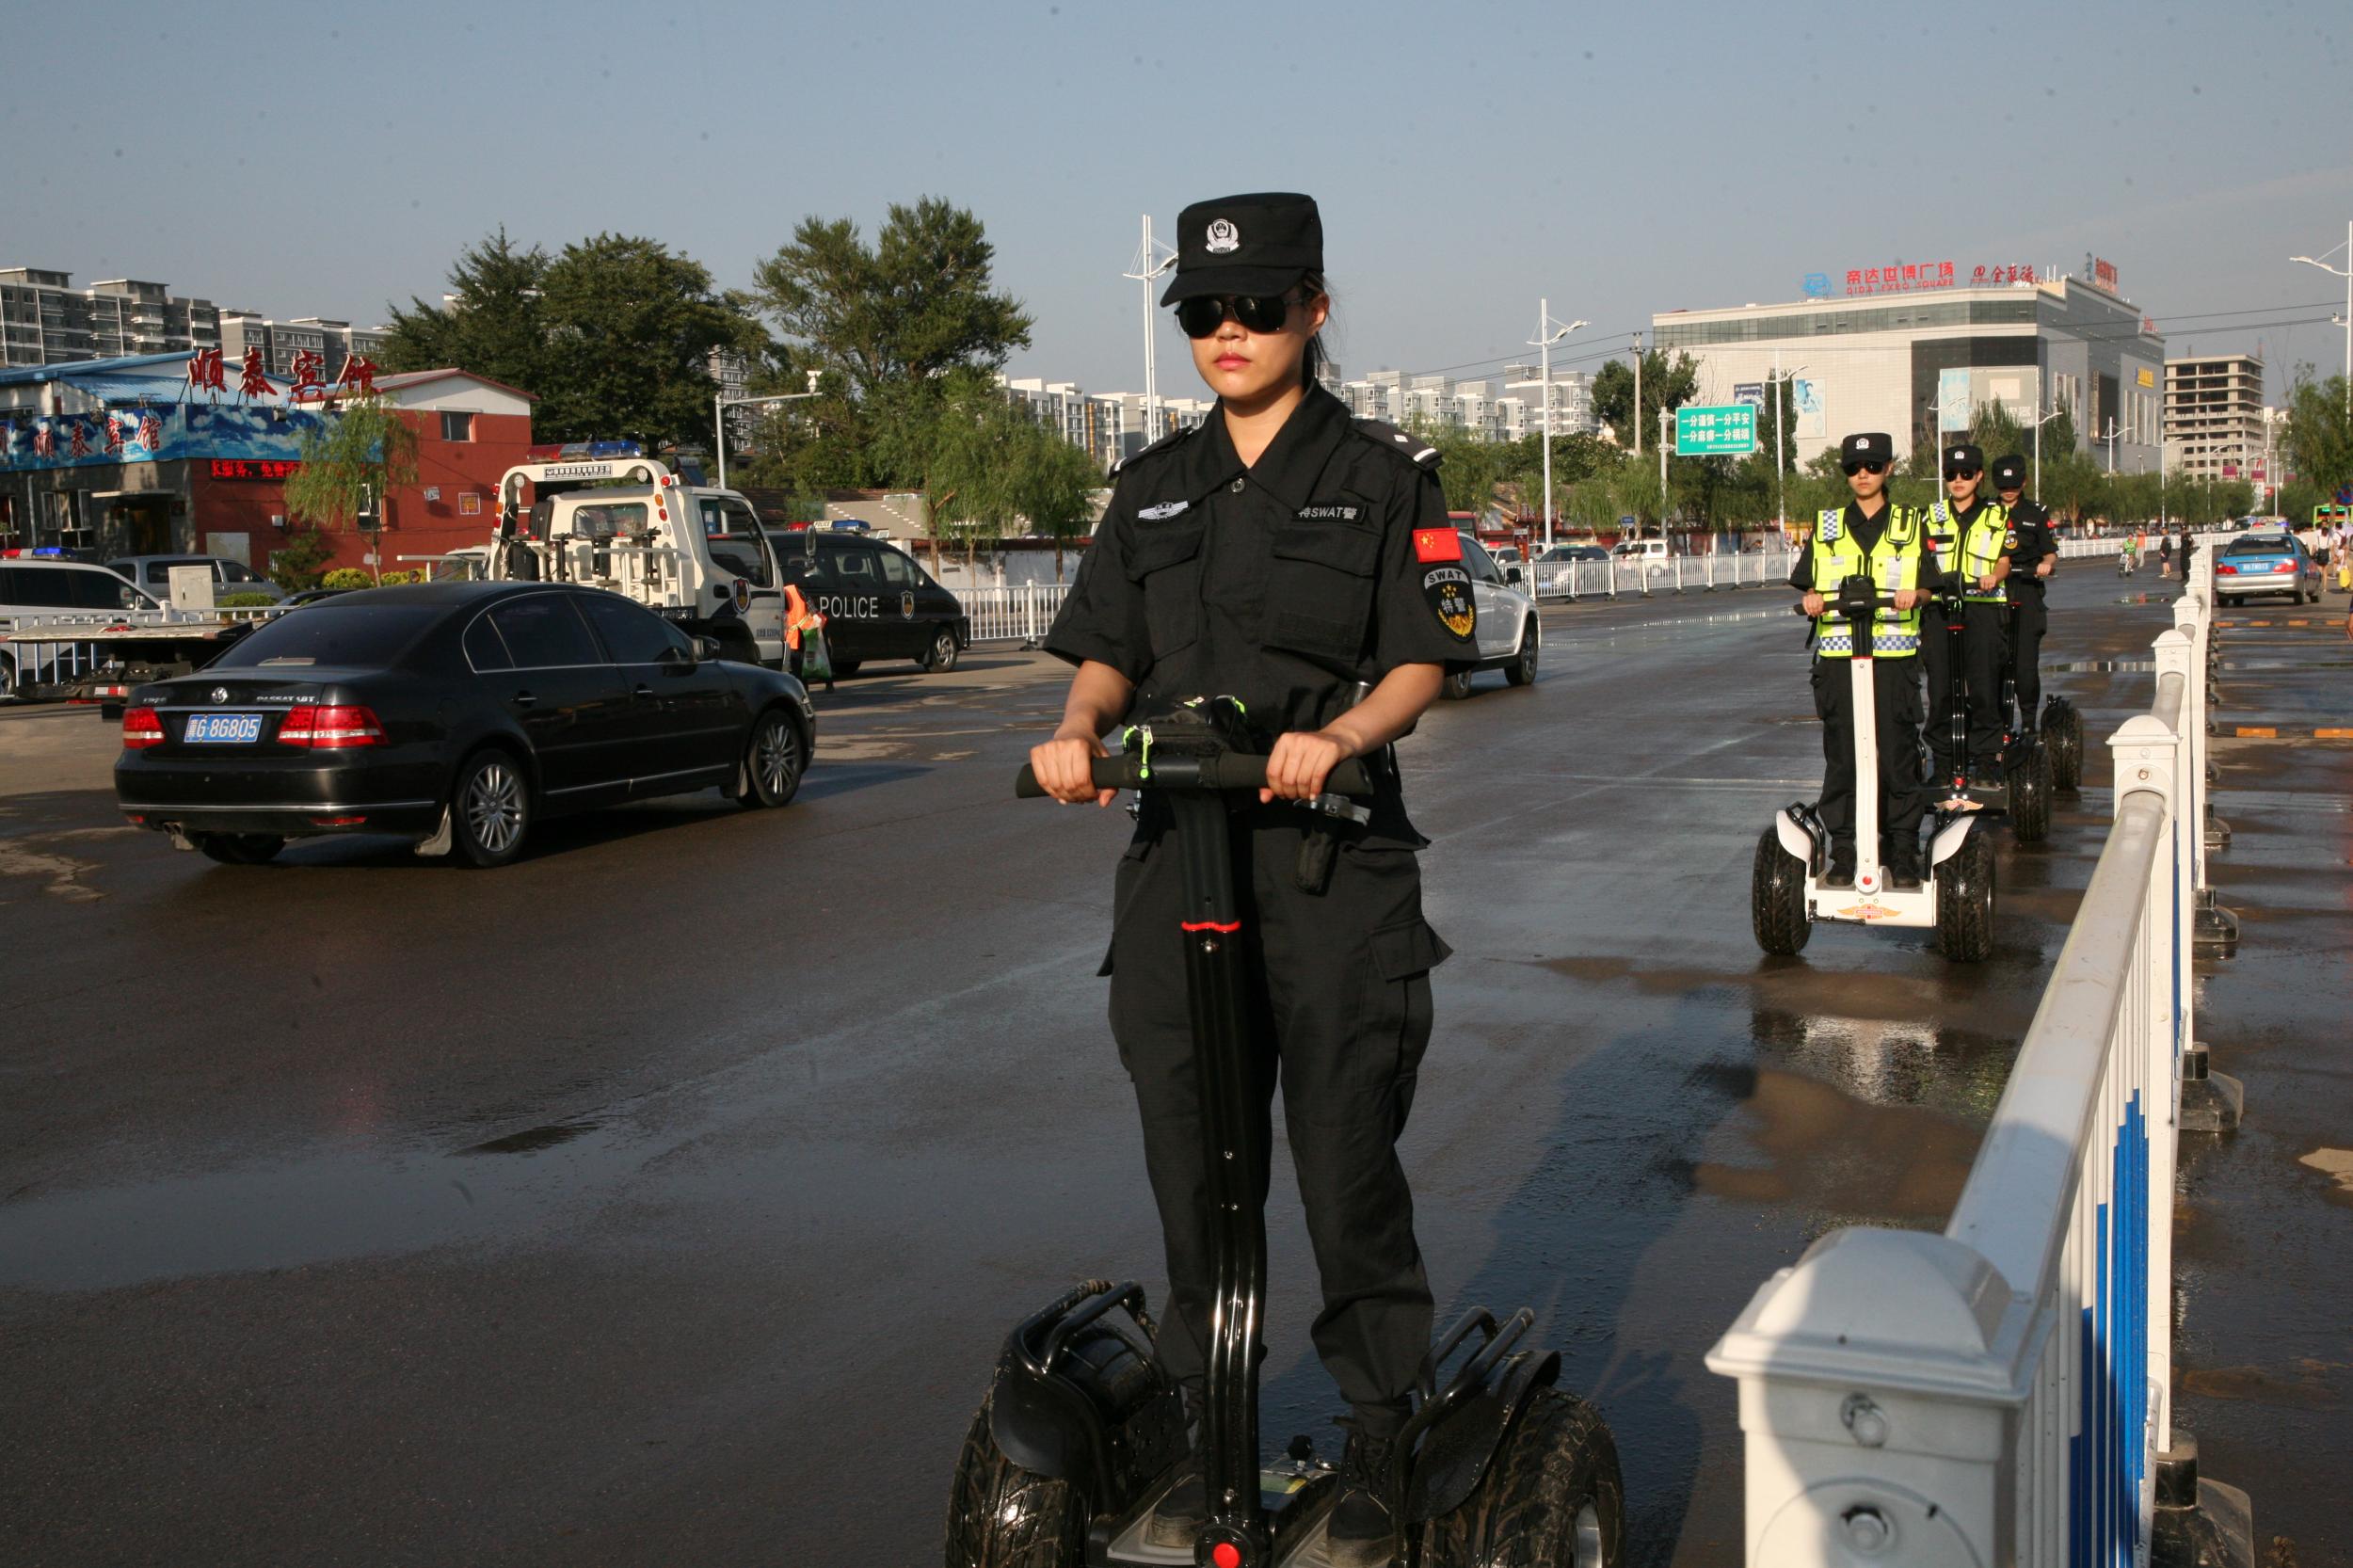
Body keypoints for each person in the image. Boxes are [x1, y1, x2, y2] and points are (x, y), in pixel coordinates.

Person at [1030, 192, 1470, 1566]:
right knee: (1192, 1158)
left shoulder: (1385, 475)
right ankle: (1199, 1418)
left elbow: (1422, 654)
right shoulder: (1151, 484)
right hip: (1178, 856)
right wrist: (1076, 729)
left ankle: (1382, 1425)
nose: (1229, 331)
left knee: (1344, 1162)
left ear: (1314, 310)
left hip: (1330, 862)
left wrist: (1342, 735)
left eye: (1258, 307)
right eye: (1204, 312)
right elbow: (1107, 648)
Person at [1789, 431, 1929, 887]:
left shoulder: (1910, 523)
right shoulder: (1827, 525)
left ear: (1889, 469)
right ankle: (1845, 850)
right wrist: (1813, 598)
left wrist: (1915, 595)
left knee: (1897, 755)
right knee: (1843, 757)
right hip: (1839, 658)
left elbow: (1930, 585)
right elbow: (1810, 583)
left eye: (1872, 466)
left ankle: (1903, 848)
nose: (1863, 475)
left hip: (1893, 659)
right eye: (1853, 468)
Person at [1919, 441, 2013, 790]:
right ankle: (1943, 763)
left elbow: (2004, 561)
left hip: (1982, 608)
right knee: (1941, 690)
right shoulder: (1930, 516)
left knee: (1984, 687)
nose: (1958, 480)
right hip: (1940, 609)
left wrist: (1994, 577)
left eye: (1965, 473)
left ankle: (1987, 762)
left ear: (1979, 477)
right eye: (1951, 474)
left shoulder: (1997, 516)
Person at [1992, 454, 2057, 738]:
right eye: (2003, 485)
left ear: (2024, 482)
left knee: (2025, 666)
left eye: (2014, 485)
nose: (2008, 491)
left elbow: (2050, 551)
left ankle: (2028, 720)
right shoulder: (1986, 513)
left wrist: (2046, 565)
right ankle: (1995, 723)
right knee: (1992, 662)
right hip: (1994, 590)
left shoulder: (2035, 513)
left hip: (2026, 588)